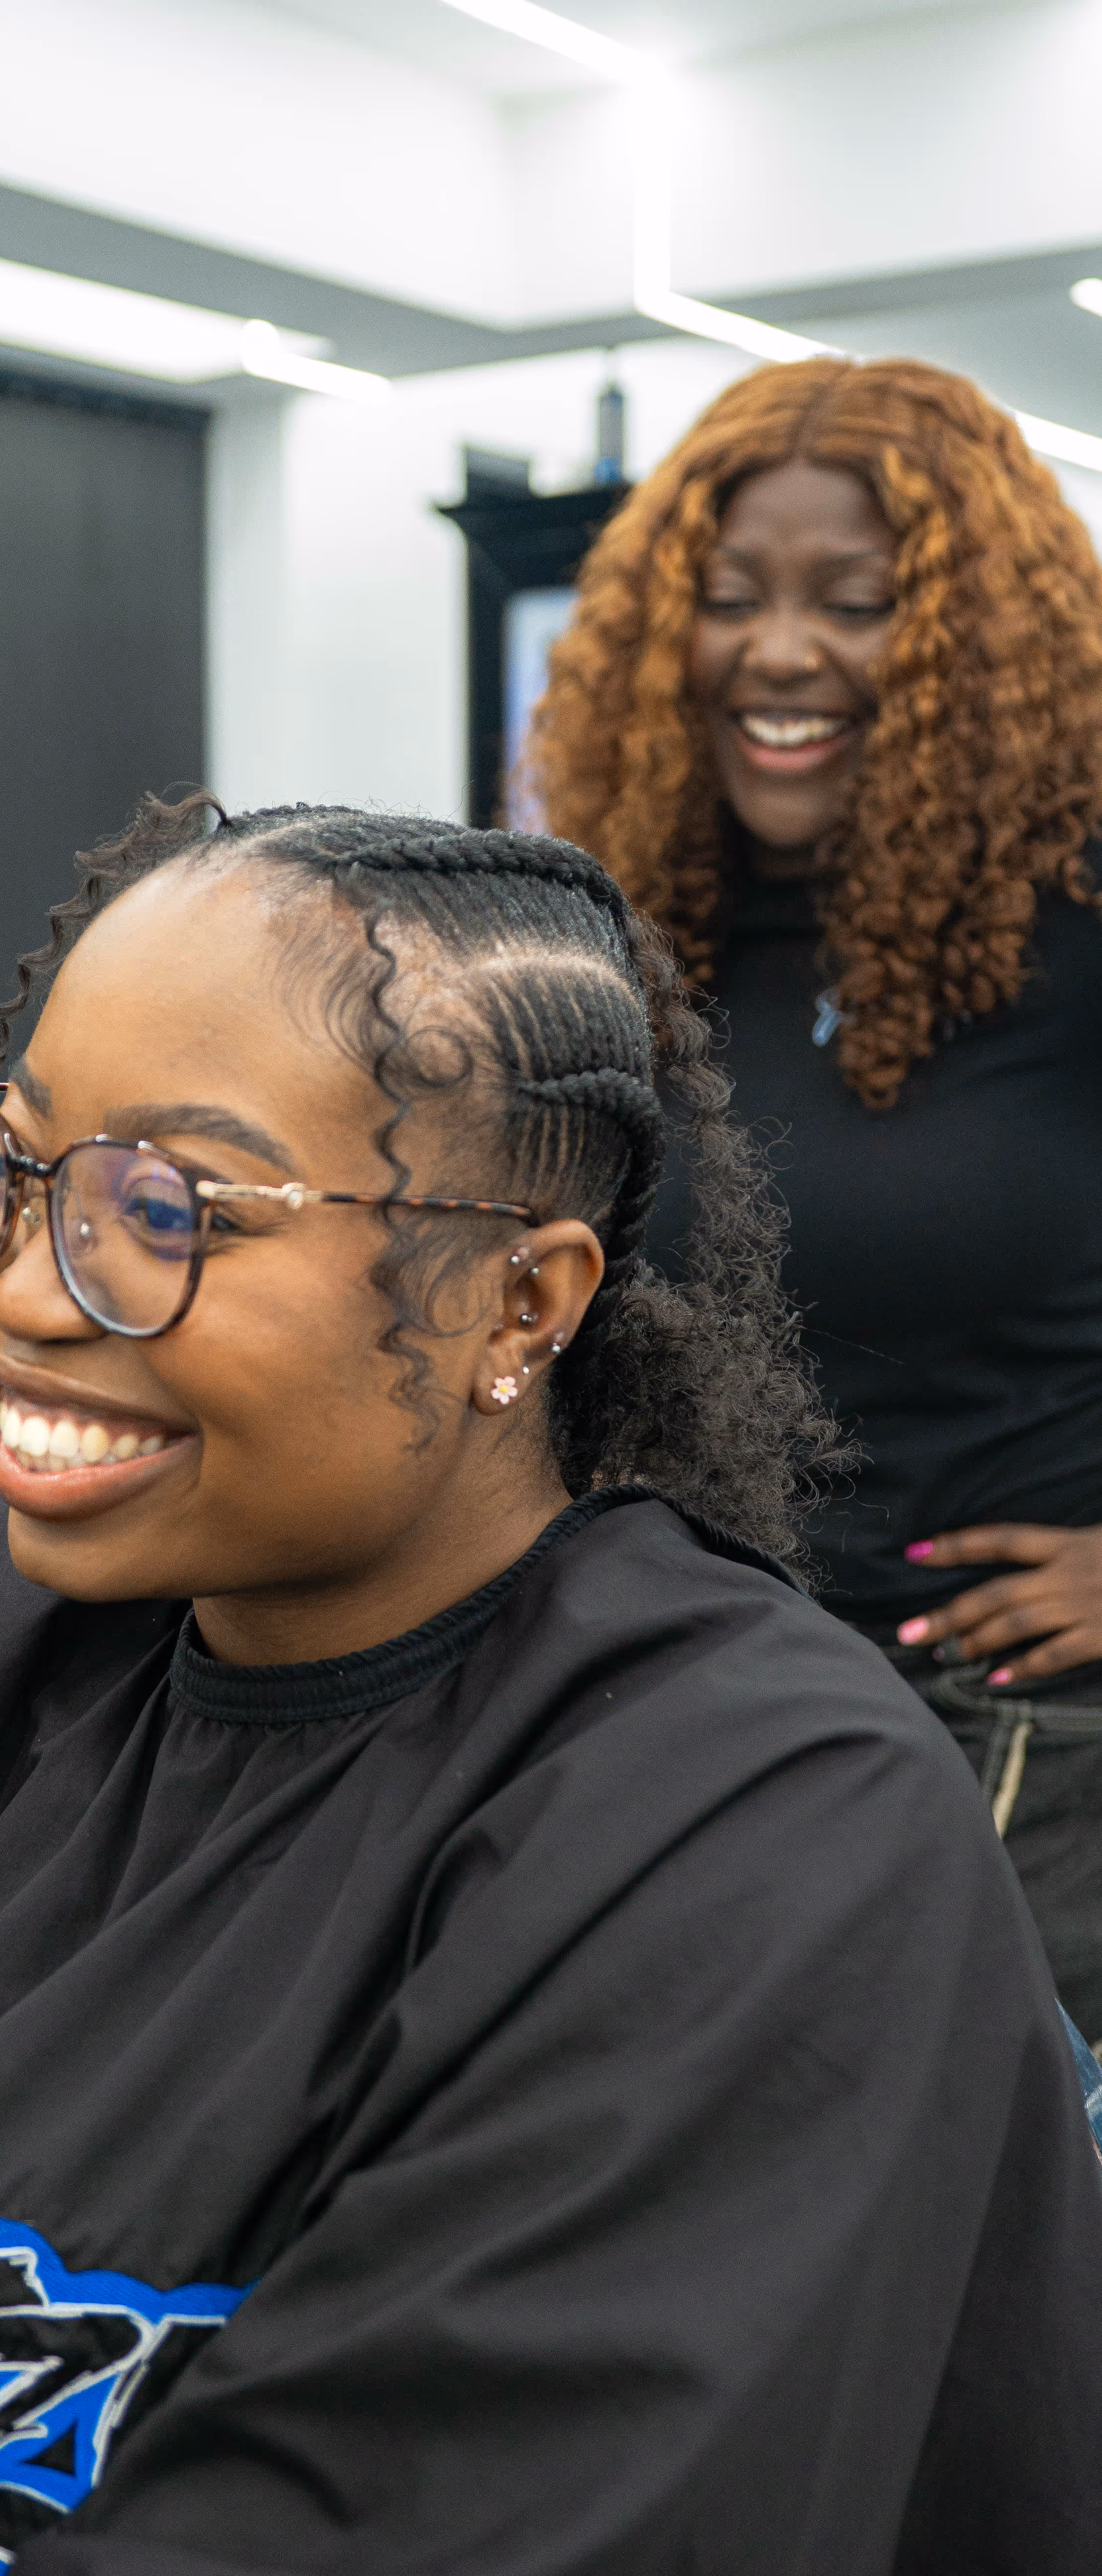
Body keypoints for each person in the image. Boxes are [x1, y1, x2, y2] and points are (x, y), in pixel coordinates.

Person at [0, 794, 1099, 2575]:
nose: (18, 1287)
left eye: (168, 1209)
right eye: (10, 1162)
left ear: (514, 1304)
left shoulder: (766, 1832)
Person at [526, 356, 1102, 2039]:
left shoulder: (1080, 931)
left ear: (969, 651)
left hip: (1015, 1740)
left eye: (856, 603)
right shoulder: (617, 940)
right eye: (725, 599)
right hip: (678, 1692)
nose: (779, 653)